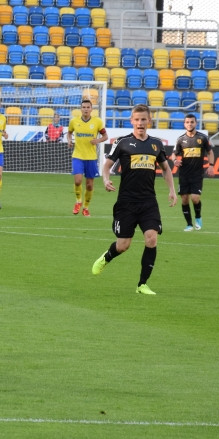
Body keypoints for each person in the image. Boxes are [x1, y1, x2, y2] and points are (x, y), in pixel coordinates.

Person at [91, 104, 177, 295]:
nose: (140, 123)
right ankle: (107, 257)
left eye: (143, 119)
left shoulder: (156, 144)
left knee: (151, 239)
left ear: (149, 121)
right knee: (123, 245)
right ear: (132, 121)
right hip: (127, 202)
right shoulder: (122, 142)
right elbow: (106, 166)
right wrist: (106, 180)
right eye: (137, 120)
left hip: (148, 201)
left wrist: (172, 190)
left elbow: (165, 169)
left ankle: (142, 284)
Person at [170, 113, 215, 230]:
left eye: (192, 122)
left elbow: (210, 152)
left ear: (196, 123)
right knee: (184, 199)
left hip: (197, 174)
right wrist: (175, 161)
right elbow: (173, 154)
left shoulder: (202, 138)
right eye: (187, 122)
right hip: (184, 174)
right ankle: (189, 224)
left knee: (195, 198)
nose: (189, 124)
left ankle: (198, 217)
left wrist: (211, 165)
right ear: (184, 124)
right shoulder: (181, 139)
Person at [67, 98, 107, 217]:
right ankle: (78, 201)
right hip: (78, 156)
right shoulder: (74, 121)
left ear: (91, 109)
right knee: (78, 180)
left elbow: (105, 136)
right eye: (83, 107)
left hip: (91, 157)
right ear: (81, 109)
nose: (85, 109)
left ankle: (86, 207)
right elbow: (69, 133)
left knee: (89, 185)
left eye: (88, 107)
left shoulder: (97, 122)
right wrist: (69, 140)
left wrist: (98, 140)